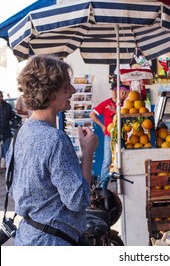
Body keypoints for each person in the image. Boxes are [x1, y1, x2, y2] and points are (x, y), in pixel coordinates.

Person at [6, 55, 98, 246]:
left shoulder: (20, 135)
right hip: (52, 242)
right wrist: (88, 152)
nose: (73, 90)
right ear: (50, 93)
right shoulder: (55, 139)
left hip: (27, 238)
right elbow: (79, 200)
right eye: (66, 87)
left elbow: (15, 189)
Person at [90, 81, 129, 181]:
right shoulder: (106, 103)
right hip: (109, 136)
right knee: (107, 160)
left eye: (117, 90)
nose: (115, 92)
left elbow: (127, 117)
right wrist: (102, 126)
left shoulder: (126, 104)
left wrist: (116, 111)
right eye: (113, 90)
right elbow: (92, 114)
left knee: (122, 160)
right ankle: (102, 184)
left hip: (123, 136)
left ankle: (119, 183)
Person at [0, 90, 14, 168]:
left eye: (1, 96)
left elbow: (10, 117)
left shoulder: (8, 106)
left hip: (6, 130)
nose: (1, 98)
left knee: (7, 150)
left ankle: (6, 166)